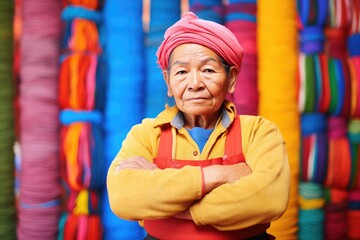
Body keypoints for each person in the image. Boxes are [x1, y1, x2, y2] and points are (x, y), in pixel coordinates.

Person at [107, 12, 290, 240]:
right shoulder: (146, 135)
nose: (194, 84)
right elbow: (123, 197)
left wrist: (172, 204)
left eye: (208, 70)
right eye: (182, 72)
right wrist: (216, 175)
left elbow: (269, 198)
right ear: (168, 83)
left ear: (231, 79)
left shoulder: (259, 132)